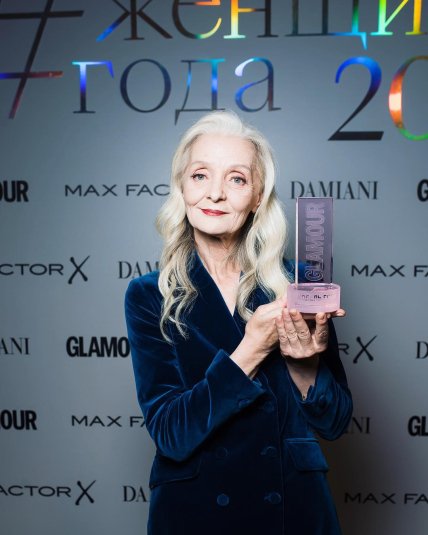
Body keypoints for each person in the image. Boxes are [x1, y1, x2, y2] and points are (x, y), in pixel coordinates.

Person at [125, 111, 352, 535]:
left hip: (293, 510)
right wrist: (252, 348)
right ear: (181, 187)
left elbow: (335, 422)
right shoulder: (149, 295)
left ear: (257, 196)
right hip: (195, 513)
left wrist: (304, 366)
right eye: (200, 175)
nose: (215, 193)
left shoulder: (299, 283)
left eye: (236, 179)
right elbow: (172, 434)